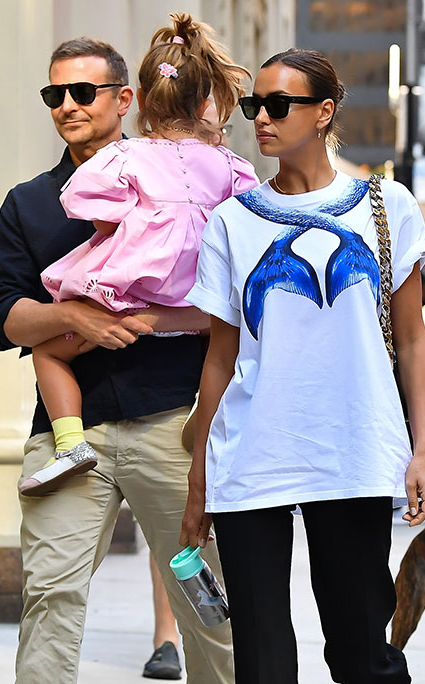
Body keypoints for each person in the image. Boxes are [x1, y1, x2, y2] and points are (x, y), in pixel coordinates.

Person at [0, 28, 254, 684]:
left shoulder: (186, 175)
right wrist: (75, 315)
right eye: (55, 95)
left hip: (172, 426)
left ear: (126, 99)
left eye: (84, 93)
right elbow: (4, 315)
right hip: (68, 434)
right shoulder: (32, 204)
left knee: (203, 596)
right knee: (48, 598)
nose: (68, 107)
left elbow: (228, 294)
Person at [180, 48, 425, 684]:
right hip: (252, 456)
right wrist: (195, 483)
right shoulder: (233, 222)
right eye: (254, 104)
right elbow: (220, 357)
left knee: (356, 645)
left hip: (351, 451)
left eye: (281, 105)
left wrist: (423, 449)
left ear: (325, 111)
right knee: (261, 655)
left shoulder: (384, 204)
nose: (262, 118)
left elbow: (411, 340)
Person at [18, 17, 256, 497]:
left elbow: (97, 216)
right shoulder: (232, 165)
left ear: (138, 101)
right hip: (195, 299)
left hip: (131, 293)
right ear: (207, 102)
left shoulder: (125, 160)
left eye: (83, 92)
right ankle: (205, 411)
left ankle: (69, 443)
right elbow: (244, 223)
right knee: (224, 337)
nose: (67, 106)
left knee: (49, 348)